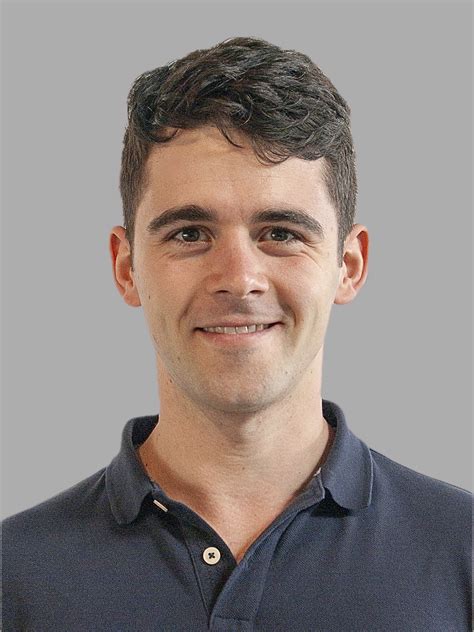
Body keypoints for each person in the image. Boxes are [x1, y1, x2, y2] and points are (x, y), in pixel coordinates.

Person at [2, 36, 471, 632]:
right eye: (190, 234)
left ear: (348, 266)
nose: (238, 279)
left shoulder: (463, 553)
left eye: (280, 233)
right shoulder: (13, 577)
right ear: (126, 267)